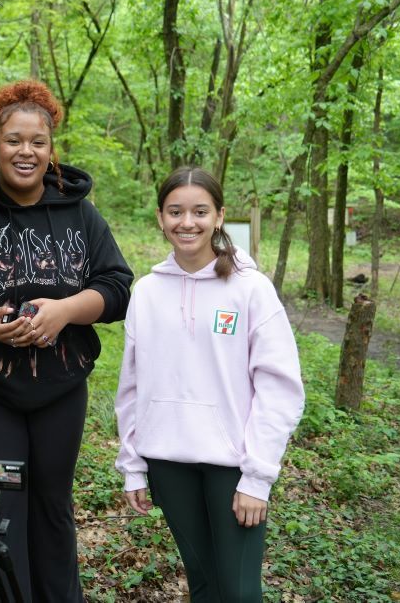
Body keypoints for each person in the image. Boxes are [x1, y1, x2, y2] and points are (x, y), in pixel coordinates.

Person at [0, 80, 133, 601]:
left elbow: (117, 287)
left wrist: (64, 311)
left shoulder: (80, 213)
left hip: (61, 388)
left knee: (53, 506)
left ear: (51, 148)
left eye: (37, 141)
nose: (26, 151)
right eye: (13, 140)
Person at [114, 166, 305, 602]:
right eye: (175, 211)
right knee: (202, 584)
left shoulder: (250, 289)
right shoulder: (146, 292)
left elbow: (280, 388)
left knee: (238, 592)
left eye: (200, 211)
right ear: (161, 217)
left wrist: (257, 476)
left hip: (233, 466)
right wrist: (133, 464)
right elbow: (132, 387)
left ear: (219, 216)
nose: (187, 222)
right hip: (168, 461)